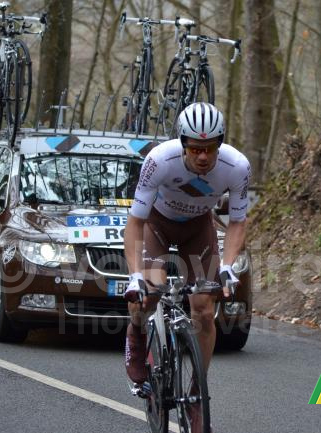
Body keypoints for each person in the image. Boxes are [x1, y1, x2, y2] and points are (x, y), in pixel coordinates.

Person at [123, 103, 250, 429]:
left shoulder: (236, 167)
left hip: (198, 228)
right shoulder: (159, 161)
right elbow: (136, 221)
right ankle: (137, 336)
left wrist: (228, 266)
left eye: (209, 148)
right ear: (182, 143)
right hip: (157, 226)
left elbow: (237, 223)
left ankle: (196, 392)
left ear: (219, 144)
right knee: (148, 296)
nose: (203, 157)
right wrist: (135, 275)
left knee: (204, 310)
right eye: (195, 148)